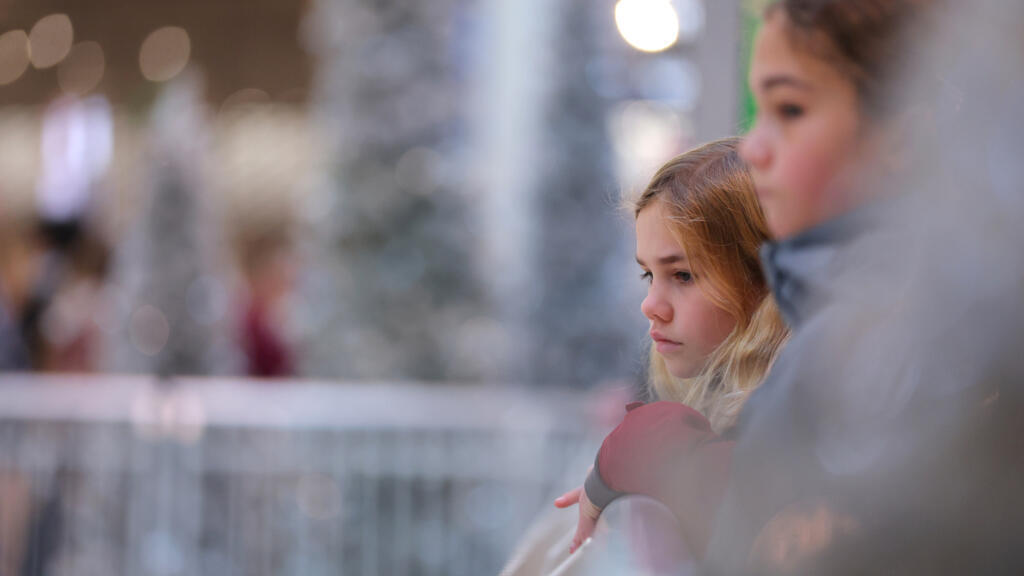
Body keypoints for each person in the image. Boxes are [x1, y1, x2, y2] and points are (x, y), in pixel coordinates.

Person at [701, 0, 1024, 574]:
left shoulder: (885, 350)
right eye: (759, 111)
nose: (753, 147)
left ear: (901, 136)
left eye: (790, 109)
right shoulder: (856, 327)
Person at [553, 137, 789, 560]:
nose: (651, 305)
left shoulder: (803, 402)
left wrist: (629, 452)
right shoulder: (738, 397)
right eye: (649, 276)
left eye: (682, 276)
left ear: (760, 278)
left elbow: (734, 491)